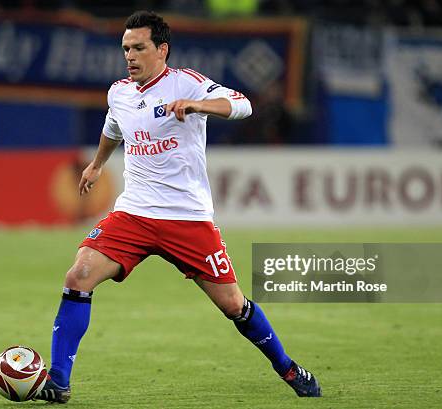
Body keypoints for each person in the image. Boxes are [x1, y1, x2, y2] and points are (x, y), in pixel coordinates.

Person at [34, 10, 321, 403]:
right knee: (78, 275)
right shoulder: (119, 92)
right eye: (125, 49)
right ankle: (59, 381)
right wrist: (98, 164)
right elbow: (113, 127)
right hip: (133, 213)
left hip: (187, 219)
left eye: (138, 48)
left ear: (161, 49)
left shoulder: (187, 83)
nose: (130, 56)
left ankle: (288, 366)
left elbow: (242, 104)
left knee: (234, 305)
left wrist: (200, 106)